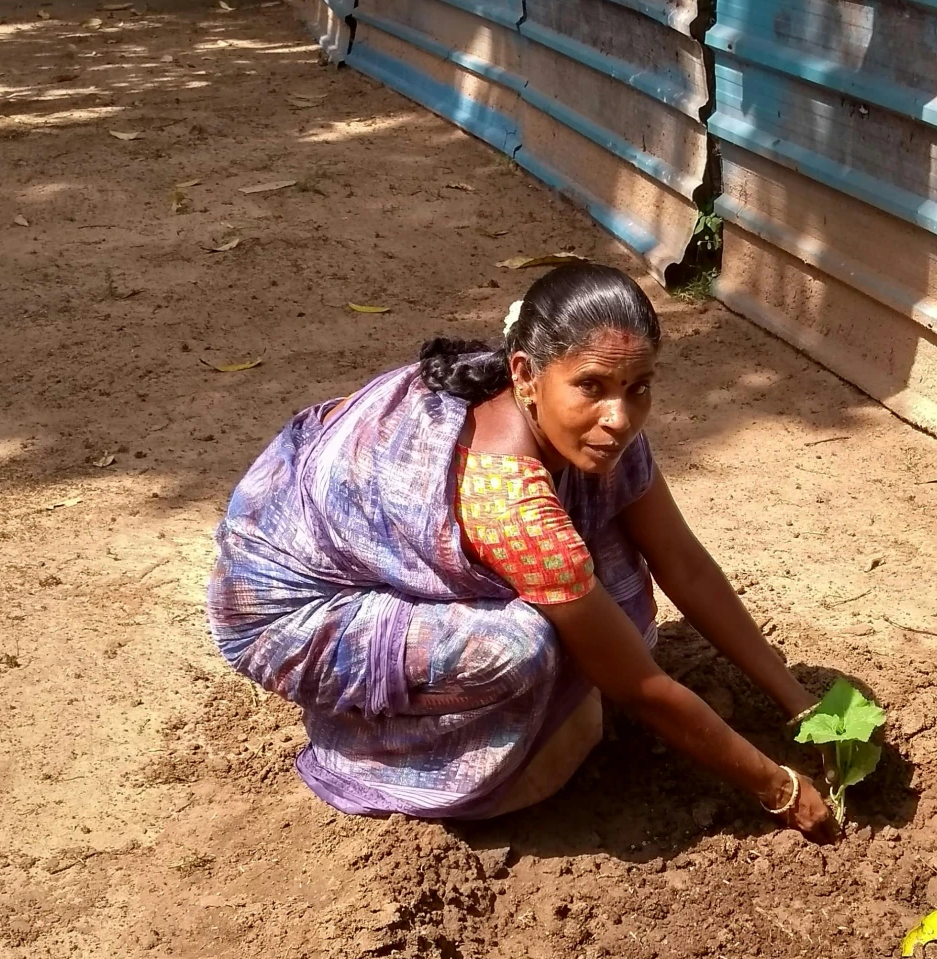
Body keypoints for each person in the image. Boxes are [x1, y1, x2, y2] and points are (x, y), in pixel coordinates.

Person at [206, 262, 837, 840]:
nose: (619, 416)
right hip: (292, 611)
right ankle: (389, 758)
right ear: (525, 377)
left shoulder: (597, 432)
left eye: (639, 387)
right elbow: (642, 687)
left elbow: (684, 563)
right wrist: (777, 788)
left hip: (381, 560)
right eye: (591, 385)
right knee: (522, 647)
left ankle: (543, 702)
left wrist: (800, 702)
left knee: (605, 565)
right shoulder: (509, 500)